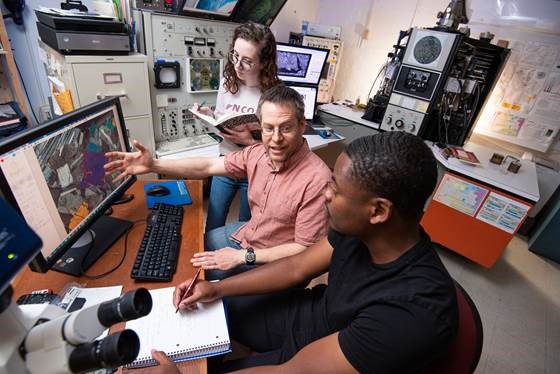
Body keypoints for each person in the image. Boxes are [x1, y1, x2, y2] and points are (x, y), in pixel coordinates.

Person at [154, 132, 459, 373]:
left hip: (325, 352)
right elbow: (296, 268)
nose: (325, 195)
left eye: (335, 190)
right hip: (309, 315)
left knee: (198, 370)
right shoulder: (360, 228)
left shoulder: (413, 313)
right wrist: (216, 288)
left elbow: (292, 371)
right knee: (206, 313)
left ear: (378, 210)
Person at [104, 85, 331, 280]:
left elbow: (305, 249)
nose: (276, 138)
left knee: (200, 278)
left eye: (286, 128)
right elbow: (207, 166)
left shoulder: (317, 179)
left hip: (277, 263)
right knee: (191, 249)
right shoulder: (256, 154)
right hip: (249, 234)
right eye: (268, 128)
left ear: (302, 126)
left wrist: (242, 257)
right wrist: (154, 165)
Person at [196, 22, 282, 232]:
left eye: (247, 61)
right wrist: (211, 116)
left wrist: (250, 141)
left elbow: (279, 143)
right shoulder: (227, 82)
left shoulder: (274, 94)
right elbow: (223, 117)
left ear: (263, 63)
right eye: (235, 56)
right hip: (225, 163)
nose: (237, 65)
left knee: (244, 228)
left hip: (254, 170)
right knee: (213, 221)